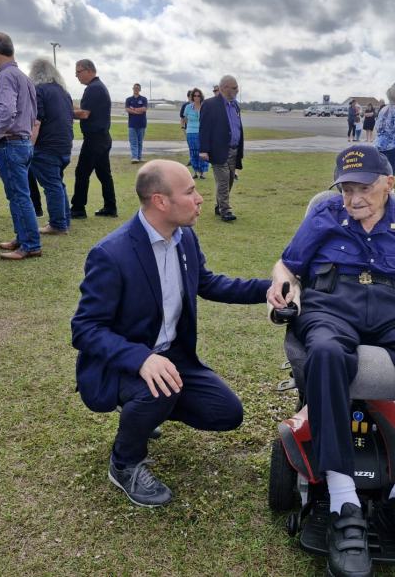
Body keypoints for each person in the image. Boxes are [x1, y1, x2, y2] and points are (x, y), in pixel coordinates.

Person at [267, 145, 395, 574]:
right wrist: (281, 285)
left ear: (389, 183)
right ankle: (344, 502)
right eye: (345, 188)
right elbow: (287, 265)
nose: (352, 198)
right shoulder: (325, 215)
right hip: (332, 305)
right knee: (324, 353)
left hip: (394, 308)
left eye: (363, 187)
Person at [71, 159, 269, 507]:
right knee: (156, 391)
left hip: (172, 357)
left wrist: (269, 289)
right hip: (122, 363)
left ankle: (145, 413)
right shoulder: (111, 254)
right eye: (190, 191)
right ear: (160, 201)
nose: (200, 199)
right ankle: (124, 462)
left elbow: (207, 283)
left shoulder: (184, 238)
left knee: (226, 413)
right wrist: (141, 359)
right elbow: (85, 328)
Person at [0, 32, 41, 260]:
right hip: (23, 142)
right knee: (18, 195)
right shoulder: (23, 76)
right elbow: (33, 113)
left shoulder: (5, 76)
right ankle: (22, 237)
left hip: (10, 143)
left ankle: (30, 244)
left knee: (19, 196)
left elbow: (7, 110)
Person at [28, 58, 74, 234]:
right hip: (64, 145)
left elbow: (36, 123)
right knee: (57, 184)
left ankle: (57, 224)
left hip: (47, 146)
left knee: (52, 185)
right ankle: (64, 219)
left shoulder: (39, 91)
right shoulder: (64, 92)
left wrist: (29, 147)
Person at [71, 59, 116, 219]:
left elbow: (84, 114)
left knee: (82, 172)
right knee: (104, 174)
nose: (76, 76)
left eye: (78, 72)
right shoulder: (99, 87)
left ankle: (78, 208)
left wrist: (65, 112)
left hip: (94, 139)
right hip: (103, 138)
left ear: (89, 70)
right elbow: (85, 110)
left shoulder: (93, 89)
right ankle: (110, 206)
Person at [199, 75, 244, 222]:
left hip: (234, 150)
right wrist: (203, 150)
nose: (237, 90)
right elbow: (204, 128)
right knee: (223, 180)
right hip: (218, 149)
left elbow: (237, 126)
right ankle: (225, 210)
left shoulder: (235, 105)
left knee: (230, 179)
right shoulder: (210, 104)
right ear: (225, 88)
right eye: (235, 87)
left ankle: (219, 205)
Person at [373, 84, 395, 176]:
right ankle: (388, 189)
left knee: (380, 172)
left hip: (379, 145)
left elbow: (377, 127)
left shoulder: (383, 109)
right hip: (393, 146)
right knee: (390, 173)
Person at [183, 88, 208, 179]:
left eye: (198, 95)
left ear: (201, 97)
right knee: (193, 152)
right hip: (191, 132)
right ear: (192, 97)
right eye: (195, 95)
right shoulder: (188, 107)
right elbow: (184, 119)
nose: (196, 97)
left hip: (202, 132)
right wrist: (184, 128)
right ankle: (195, 172)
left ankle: (203, 172)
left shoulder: (204, 106)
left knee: (203, 151)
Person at [126, 83, 148, 163]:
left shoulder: (143, 99)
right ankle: (134, 157)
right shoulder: (128, 99)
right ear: (133, 89)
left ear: (140, 89)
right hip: (132, 124)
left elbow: (144, 109)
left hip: (142, 124)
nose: (136, 89)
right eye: (135, 88)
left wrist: (133, 109)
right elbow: (127, 109)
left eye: (138, 88)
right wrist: (137, 111)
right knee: (133, 141)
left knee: (140, 141)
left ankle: (139, 157)